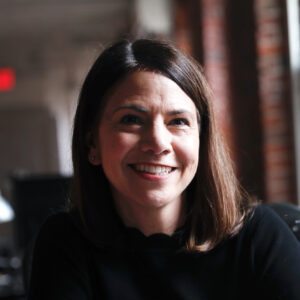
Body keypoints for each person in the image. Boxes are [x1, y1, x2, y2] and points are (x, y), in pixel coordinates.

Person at [28, 39, 300, 300]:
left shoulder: (259, 236)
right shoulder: (64, 243)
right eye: (131, 120)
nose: (158, 143)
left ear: (201, 142)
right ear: (92, 142)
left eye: (178, 121)